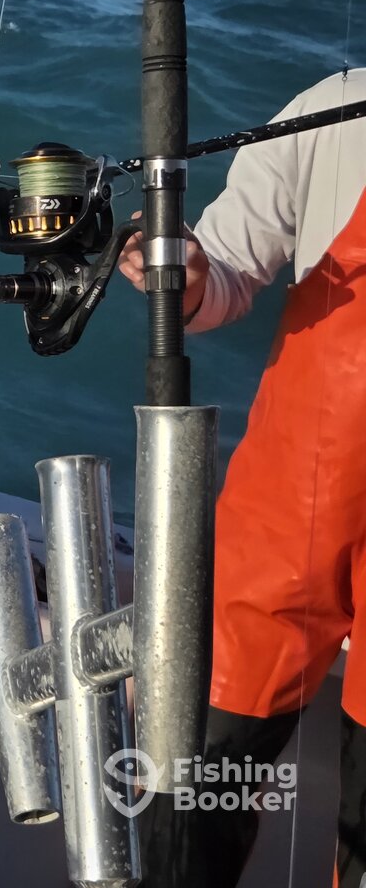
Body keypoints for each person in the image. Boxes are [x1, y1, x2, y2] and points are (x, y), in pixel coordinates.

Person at [118, 67, 366, 886]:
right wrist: (187, 278)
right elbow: (227, 266)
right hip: (283, 527)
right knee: (192, 783)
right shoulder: (334, 109)